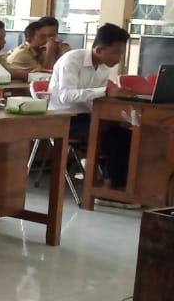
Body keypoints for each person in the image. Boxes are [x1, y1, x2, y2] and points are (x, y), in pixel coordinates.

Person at [47, 23, 134, 188]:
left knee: (128, 134)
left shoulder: (103, 69)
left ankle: (117, 184)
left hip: (88, 117)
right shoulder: (71, 60)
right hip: (63, 118)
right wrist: (106, 92)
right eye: (116, 52)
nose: (119, 58)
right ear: (99, 50)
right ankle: (109, 186)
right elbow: (66, 96)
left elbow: (96, 100)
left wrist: (116, 118)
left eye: (122, 53)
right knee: (112, 140)